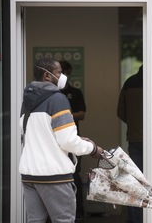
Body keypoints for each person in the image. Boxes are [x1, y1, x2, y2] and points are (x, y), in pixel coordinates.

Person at [19, 57, 103, 223]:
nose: (63, 76)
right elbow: (67, 142)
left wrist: (77, 138)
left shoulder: (27, 101)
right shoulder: (57, 100)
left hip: (29, 175)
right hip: (54, 176)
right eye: (59, 72)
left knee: (35, 220)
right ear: (47, 76)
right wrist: (93, 148)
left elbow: (38, 134)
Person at [59, 60, 86, 220]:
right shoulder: (49, 95)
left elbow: (82, 114)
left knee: (74, 175)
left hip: (71, 138)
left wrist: (62, 115)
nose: (63, 76)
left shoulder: (75, 93)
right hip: (53, 141)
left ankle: (78, 212)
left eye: (65, 72)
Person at [117, 65, 143, 223]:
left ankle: (135, 219)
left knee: (133, 181)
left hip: (135, 138)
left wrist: (134, 124)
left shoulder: (129, 82)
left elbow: (120, 111)